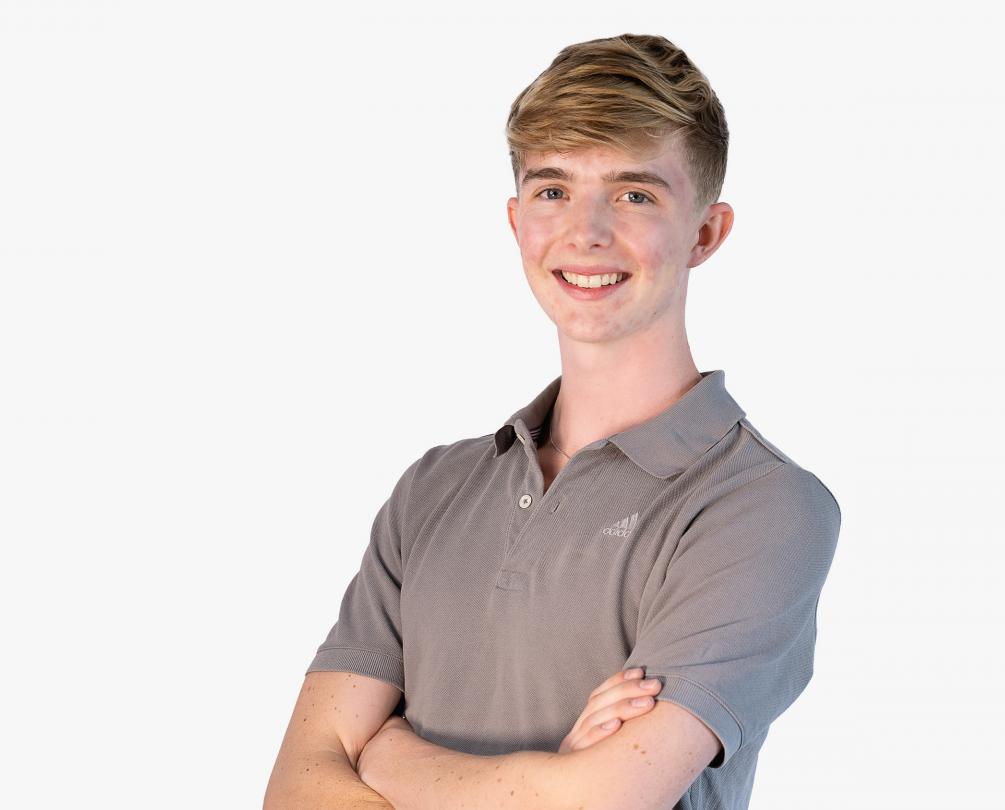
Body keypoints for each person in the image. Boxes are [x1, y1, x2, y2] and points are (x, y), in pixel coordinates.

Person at [264, 33, 841, 810]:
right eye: (553, 191)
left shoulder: (760, 508)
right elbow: (295, 791)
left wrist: (387, 757)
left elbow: (597, 802)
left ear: (706, 233)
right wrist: (546, 778)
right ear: (515, 219)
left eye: (636, 195)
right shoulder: (433, 489)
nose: (586, 233)